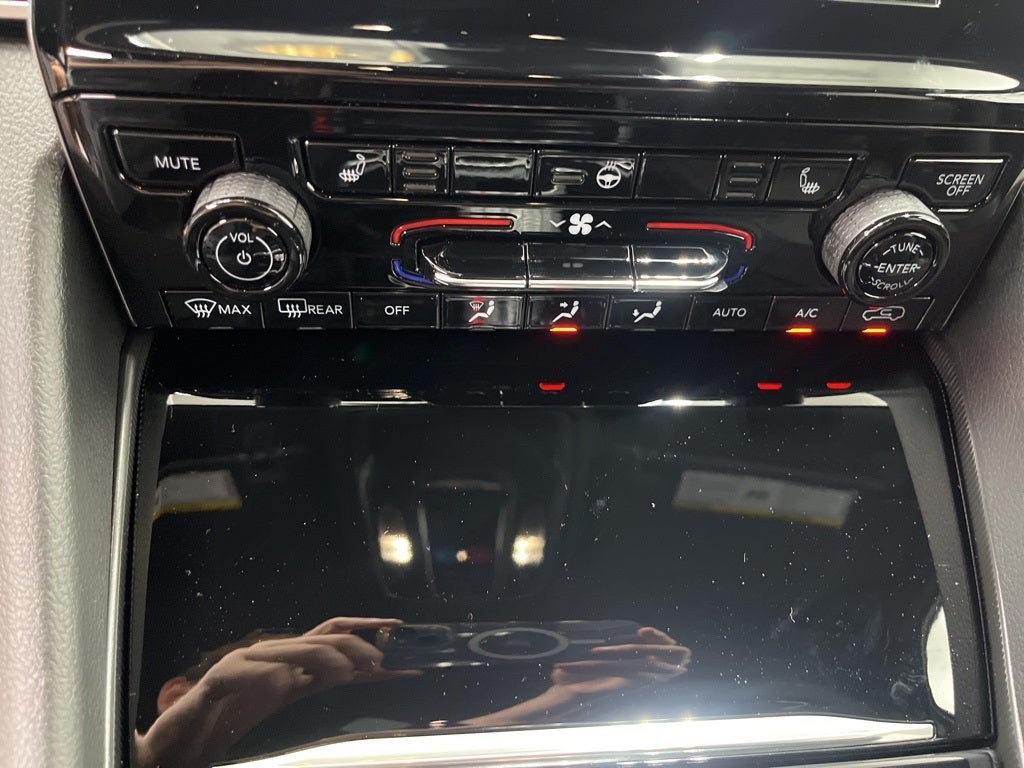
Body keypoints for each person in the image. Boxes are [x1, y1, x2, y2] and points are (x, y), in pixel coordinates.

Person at [135, 618, 690, 768]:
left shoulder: (350, 745)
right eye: (275, 668)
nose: (289, 689)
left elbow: (426, 755)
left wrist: (560, 700)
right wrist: (202, 710)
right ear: (174, 694)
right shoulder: (93, 737)